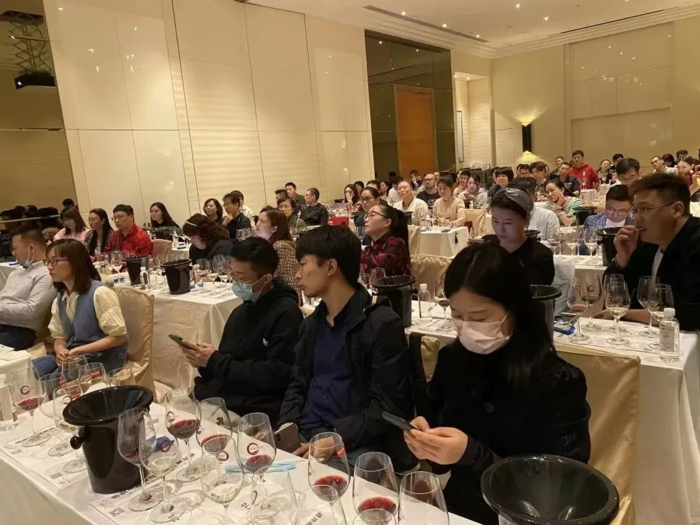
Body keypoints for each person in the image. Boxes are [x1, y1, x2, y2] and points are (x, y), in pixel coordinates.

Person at [404, 243, 590, 524]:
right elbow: (439, 438)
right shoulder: (452, 361)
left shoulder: (557, 381)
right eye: (457, 315)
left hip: (524, 516)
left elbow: (559, 489)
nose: (467, 327)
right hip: (459, 509)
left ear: (514, 310)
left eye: (479, 317)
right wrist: (426, 440)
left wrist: (471, 454)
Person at [279, 226, 416, 470]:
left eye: (302, 265)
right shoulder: (311, 324)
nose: (297, 275)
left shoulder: (380, 323)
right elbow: (297, 383)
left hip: (355, 442)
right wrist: (286, 427)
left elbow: (388, 408)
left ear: (331, 267)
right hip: (306, 434)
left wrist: (335, 438)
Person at [184, 238, 302, 424]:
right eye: (233, 275)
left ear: (266, 279)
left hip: (257, 403)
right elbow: (229, 360)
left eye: (242, 278)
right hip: (229, 393)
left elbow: (278, 375)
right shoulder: (241, 311)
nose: (236, 283)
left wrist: (215, 361)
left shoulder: (286, 313)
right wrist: (204, 360)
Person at [605, 174, 700, 331]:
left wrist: (626, 314)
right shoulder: (648, 242)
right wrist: (623, 259)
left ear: (676, 210)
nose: (636, 218)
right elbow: (613, 297)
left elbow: (691, 314)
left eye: (645, 209)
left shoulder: (695, 244)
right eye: (635, 210)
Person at [33, 240, 129, 377]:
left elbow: (118, 337)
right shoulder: (61, 297)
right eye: (48, 261)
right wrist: (60, 350)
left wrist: (79, 351)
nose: (49, 267)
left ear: (75, 262)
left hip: (104, 356)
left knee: (54, 380)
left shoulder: (99, 293)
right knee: (33, 370)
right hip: (75, 354)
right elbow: (59, 337)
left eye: (55, 261)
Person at [0, 226, 56, 350]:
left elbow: (31, 311)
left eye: (15, 248)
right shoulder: (15, 273)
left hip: (19, 331)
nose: (13, 253)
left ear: (31, 248)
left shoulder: (47, 274)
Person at [484, 188, 555, 285]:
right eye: (495, 221)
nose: (500, 229)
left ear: (526, 220)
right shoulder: (487, 245)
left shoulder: (540, 256)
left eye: (508, 223)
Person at [255, 207, 302, 300]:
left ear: (274, 229)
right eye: (257, 220)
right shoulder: (268, 245)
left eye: (262, 221)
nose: (257, 224)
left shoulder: (281, 246)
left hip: (285, 301)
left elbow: (289, 282)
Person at [361, 203, 411, 278]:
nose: (366, 220)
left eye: (372, 215)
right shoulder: (371, 248)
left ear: (387, 222)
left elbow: (378, 269)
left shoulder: (396, 243)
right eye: (366, 216)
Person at [508, 178, 559, 242]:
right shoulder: (505, 217)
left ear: (534, 196)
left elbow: (554, 244)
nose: (517, 200)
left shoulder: (548, 216)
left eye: (522, 196)